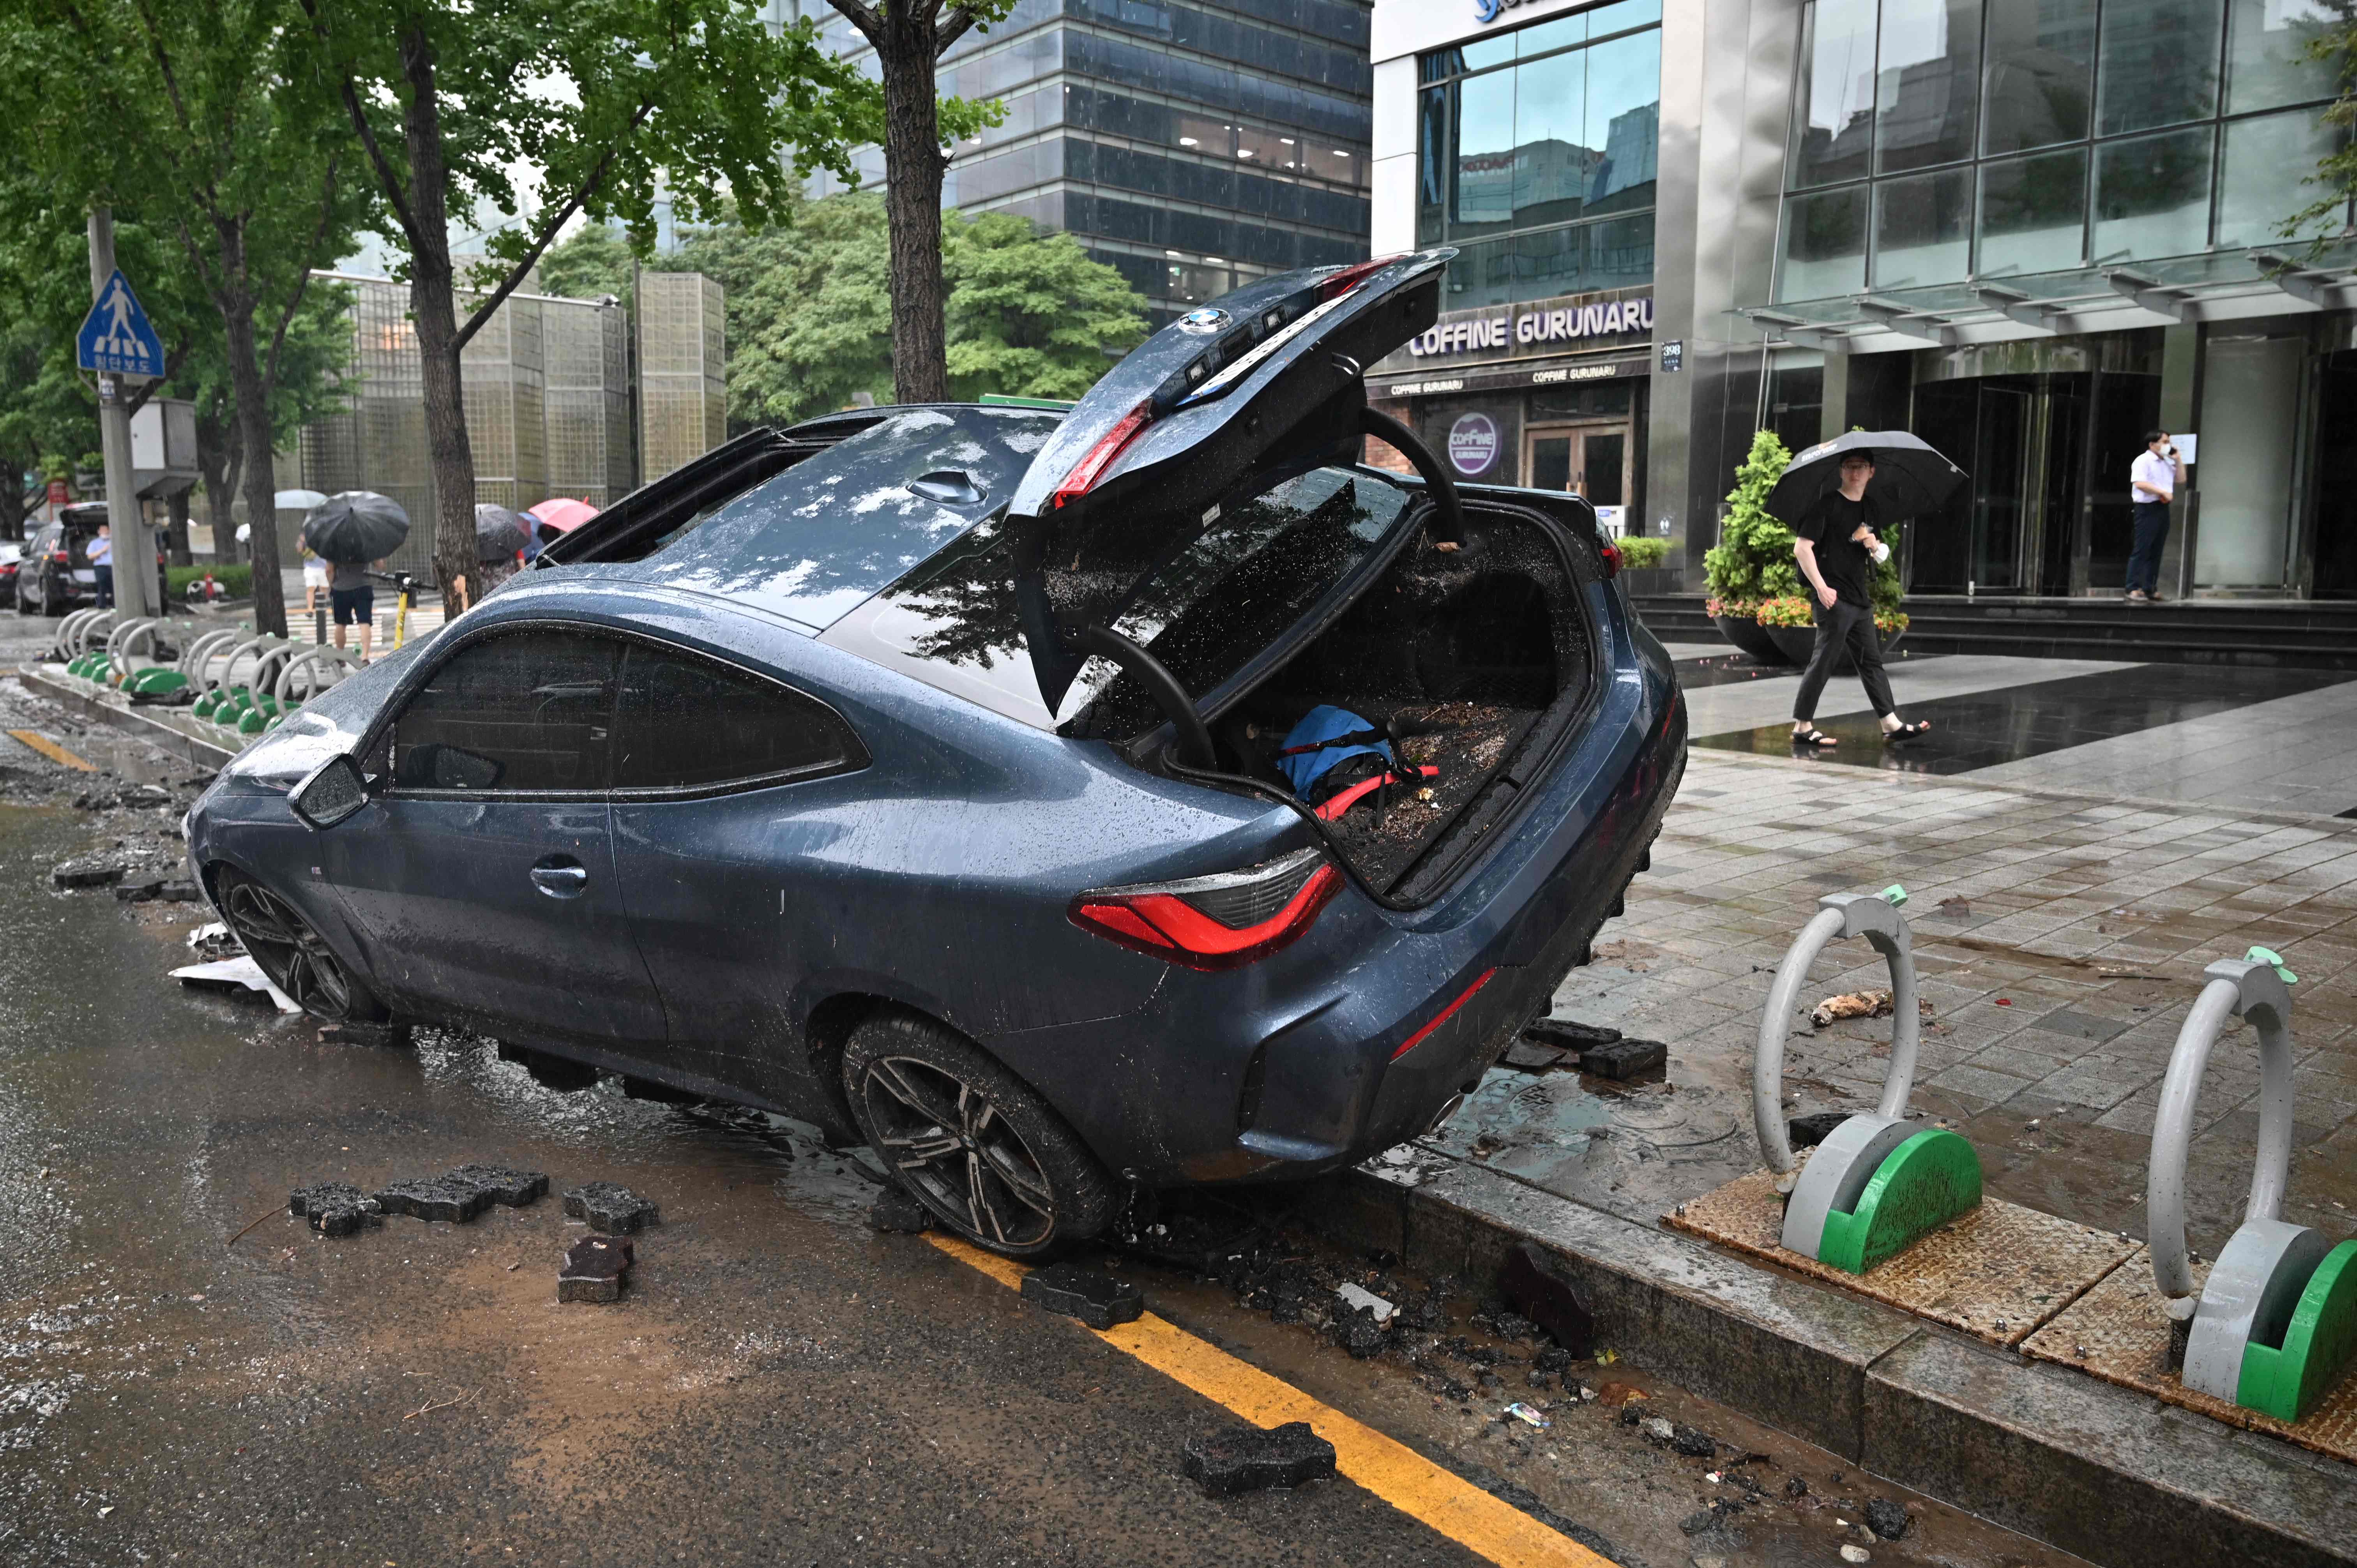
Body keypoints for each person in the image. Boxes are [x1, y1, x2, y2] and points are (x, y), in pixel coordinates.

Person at [1788, 450, 1929, 749]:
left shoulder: (1870, 508)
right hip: (1833, 599)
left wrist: (1873, 544)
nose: (1856, 472)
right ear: (1841, 471)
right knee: (1824, 661)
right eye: (1850, 467)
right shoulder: (1826, 505)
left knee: (1871, 663)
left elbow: (1878, 556)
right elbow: (1802, 549)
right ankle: (1802, 726)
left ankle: (1890, 723)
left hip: (1859, 599)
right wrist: (1822, 588)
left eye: (1861, 467)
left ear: (1871, 472)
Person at [2126, 430, 2182, 604]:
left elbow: (2181, 479)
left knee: (2157, 550)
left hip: (2162, 508)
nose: (2168, 445)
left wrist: (2179, 459)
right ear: (2152, 445)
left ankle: (2150, 588)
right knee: (2142, 549)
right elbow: (2140, 483)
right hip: (2146, 508)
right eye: (2165, 442)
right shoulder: (2143, 460)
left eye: (2169, 442)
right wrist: (2162, 492)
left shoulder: (2167, 462)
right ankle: (2133, 587)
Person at [327, 556, 384, 664]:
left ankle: (341, 655)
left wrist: (331, 585)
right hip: (363, 588)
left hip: (340, 589)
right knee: (365, 623)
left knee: (340, 624)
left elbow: (329, 570)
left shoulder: (334, 545)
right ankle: (365, 657)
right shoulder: (364, 543)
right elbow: (380, 565)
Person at [88, 521, 114, 609]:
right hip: (100, 568)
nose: (104, 532)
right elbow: (90, 556)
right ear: (99, 532)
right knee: (102, 587)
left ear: (109, 531)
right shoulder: (94, 543)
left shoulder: (114, 542)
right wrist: (102, 551)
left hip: (113, 567)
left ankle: (116, 606)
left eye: (106, 530)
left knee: (114, 587)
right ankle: (102, 606)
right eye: (102, 530)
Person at [300, 543, 329, 613]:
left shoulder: (327, 540)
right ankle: (310, 609)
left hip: (324, 567)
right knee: (311, 588)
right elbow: (303, 553)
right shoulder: (310, 539)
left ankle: (322, 607)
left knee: (324, 588)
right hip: (310, 568)